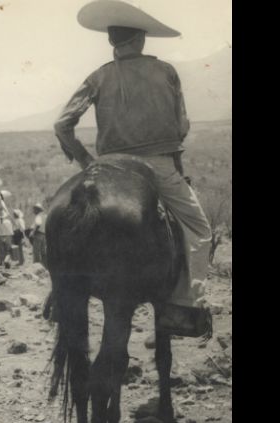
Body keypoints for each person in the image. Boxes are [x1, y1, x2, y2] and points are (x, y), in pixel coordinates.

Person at [53, 0, 212, 328]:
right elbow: (182, 127)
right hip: (158, 166)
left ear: (112, 42)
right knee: (199, 229)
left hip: (109, 166)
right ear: (140, 39)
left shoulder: (98, 76)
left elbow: (62, 124)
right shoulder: (166, 71)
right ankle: (183, 305)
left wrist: (86, 161)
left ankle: (58, 294)